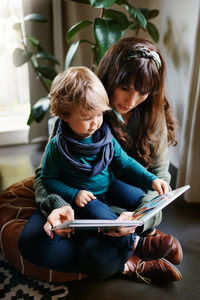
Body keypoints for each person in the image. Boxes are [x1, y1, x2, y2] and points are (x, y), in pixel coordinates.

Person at [18, 37, 182, 283]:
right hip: (81, 203)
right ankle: (130, 261)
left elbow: (143, 172)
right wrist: (61, 205)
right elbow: (45, 176)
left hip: (120, 210)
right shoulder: (80, 102)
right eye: (125, 88)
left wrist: (137, 220)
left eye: (143, 92)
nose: (131, 100)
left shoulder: (130, 122)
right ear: (111, 79)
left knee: (99, 258)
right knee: (32, 243)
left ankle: (124, 249)